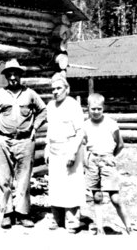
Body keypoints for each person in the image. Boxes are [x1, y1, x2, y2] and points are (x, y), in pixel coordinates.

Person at [0, 58, 47, 229]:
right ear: (6, 77)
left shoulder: (30, 94)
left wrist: (34, 128)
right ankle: (6, 213)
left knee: (23, 179)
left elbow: (43, 111)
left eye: (16, 74)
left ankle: (22, 214)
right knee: (3, 179)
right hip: (4, 140)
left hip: (25, 141)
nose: (13, 78)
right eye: (10, 75)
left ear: (20, 75)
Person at [83, 93, 130, 235]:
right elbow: (84, 144)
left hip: (107, 161)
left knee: (115, 198)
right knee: (97, 197)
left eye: (99, 109)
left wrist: (110, 157)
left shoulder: (111, 124)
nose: (96, 112)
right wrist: (89, 159)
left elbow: (120, 144)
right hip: (92, 162)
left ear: (103, 108)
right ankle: (100, 228)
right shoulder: (85, 125)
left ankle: (128, 225)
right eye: (93, 109)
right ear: (88, 108)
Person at [45, 72, 86, 233]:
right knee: (55, 184)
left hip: (69, 147)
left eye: (59, 88)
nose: (55, 91)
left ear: (67, 89)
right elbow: (50, 129)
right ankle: (57, 218)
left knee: (71, 184)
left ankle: (72, 219)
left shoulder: (73, 105)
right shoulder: (50, 106)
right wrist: (47, 147)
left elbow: (80, 131)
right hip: (55, 149)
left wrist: (73, 152)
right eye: (53, 89)